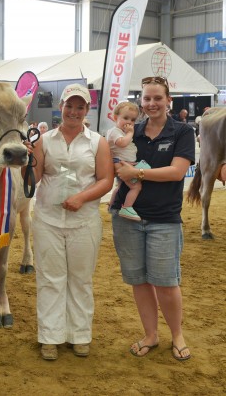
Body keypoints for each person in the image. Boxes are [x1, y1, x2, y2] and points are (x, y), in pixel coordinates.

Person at [111, 76, 195, 361]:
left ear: (168, 100)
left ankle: (177, 334)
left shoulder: (182, 132)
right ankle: (151, 334)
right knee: (140, 281)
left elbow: (177, 172)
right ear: (141, 101)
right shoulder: (130, 130)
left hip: (164, 219)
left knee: (166, 282)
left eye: (157, 98)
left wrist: (136, 174)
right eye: (146, 98)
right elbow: (113, 159)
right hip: (127, 217)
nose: (151, 103)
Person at [30, 84, 113, 360]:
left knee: (80, 279)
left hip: (84, 221)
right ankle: (50, 337)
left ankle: (80, 335)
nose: (74, 111)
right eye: (69, 106)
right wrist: (28, 157)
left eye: (80, 107)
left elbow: (106, 180)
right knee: (50, 279)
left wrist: (82, 198)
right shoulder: (45, 140)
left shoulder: (97, 142)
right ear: (61, 106)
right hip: (47, 220)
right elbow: (35, 176)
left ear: (86, 110)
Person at [106, 101, 146, 221]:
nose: (129, 122)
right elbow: (122, 143)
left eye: (133, 120)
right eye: (125, 118)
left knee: (120, 186)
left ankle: (112, 204)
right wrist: (130, 133)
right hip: (121, 163)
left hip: (126, 163)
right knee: (136, 187)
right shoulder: (115, 131)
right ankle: (127, 208)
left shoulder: (121, 132)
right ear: (115, 117)